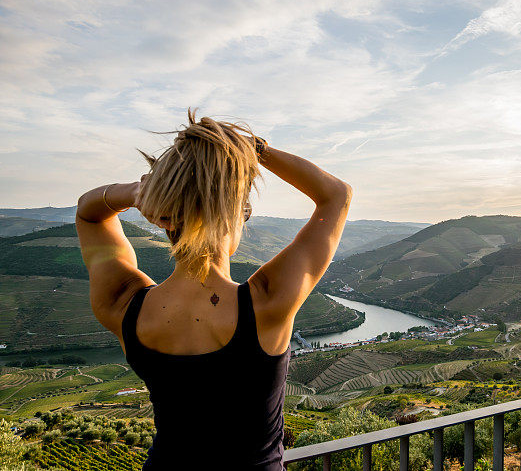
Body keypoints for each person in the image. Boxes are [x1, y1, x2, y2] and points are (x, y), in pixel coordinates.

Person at [75, 109, 352, 470]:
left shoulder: (123, 304)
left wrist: (137, 192)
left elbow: (88, 212)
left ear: (164, 217)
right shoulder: (268, 301)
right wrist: (254, 148)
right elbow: (336, 195)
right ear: (234, 215)